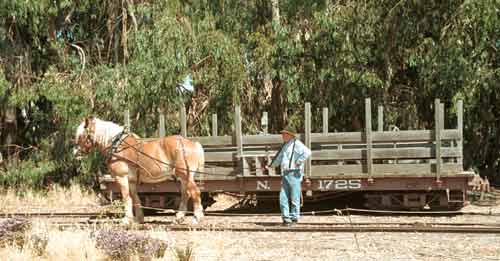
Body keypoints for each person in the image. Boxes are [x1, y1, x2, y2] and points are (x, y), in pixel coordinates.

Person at [265, 125, 311, 226]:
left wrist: (298, 161)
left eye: (284, 134)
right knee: (283, 196)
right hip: (285, 173)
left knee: (294, 196)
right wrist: (271, 166)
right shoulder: (285, 145)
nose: (283, 135)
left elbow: (307, 152)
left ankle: (294, 218)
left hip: (294, 173)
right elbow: (280, 157)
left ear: (290, 135)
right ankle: (286, 219)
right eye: (283, 134)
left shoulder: (297, 144)